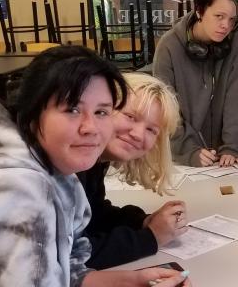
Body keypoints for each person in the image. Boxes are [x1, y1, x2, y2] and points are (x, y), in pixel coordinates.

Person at [0, 45, 191, 286]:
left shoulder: (61, 173)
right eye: (72, 109)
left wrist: (134, 281)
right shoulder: (19, 192)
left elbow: (67, 270)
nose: (91, 127)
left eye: (101, 112)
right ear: (32, 111)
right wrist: (148, 238)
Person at [78, 72, 186, 269]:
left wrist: (143, 222)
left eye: (151, 130)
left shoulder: (96, 160)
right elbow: (74, 254)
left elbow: (92, 215)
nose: (137, 134)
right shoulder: (72, 163)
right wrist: (150, 238)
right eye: (130, 116)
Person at [154, 0, 238, 167]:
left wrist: (233, 146)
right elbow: (165, 111)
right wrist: (188, 151)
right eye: (219, 16)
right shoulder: (168, 47)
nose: (226, 25)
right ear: (200, 10)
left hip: (225, 158)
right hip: (182, 158)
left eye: (232, 19)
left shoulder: (234, 36)